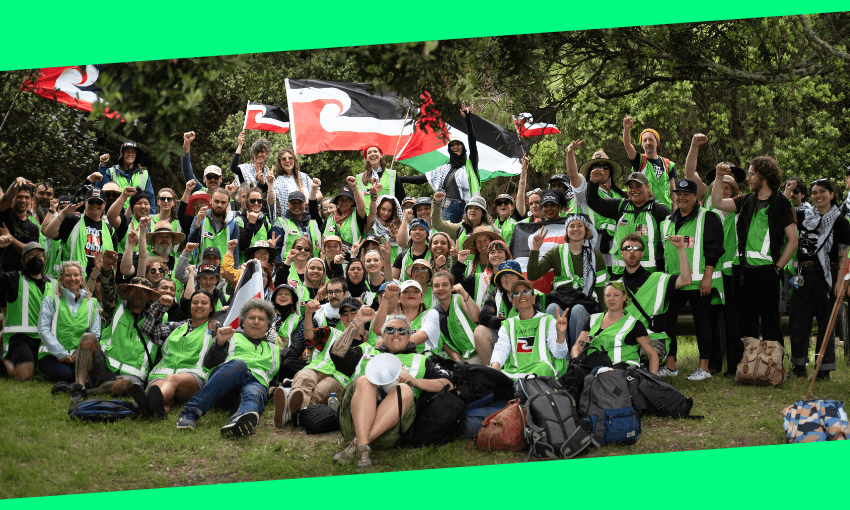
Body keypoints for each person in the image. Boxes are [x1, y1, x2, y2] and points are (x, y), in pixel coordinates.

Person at [330, 308, 452, 471]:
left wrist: (414, 381)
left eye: (402, 330)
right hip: (352, 423)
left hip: (391, 430)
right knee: (366, 380)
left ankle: (360, 445)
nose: (396, 334)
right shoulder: (366, 350)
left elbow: (448, 384)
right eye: (390, 329)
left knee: (404, 389)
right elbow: (337, 352)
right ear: (382, 334)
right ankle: (362, 444)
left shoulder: (422, 360)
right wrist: (357, 321)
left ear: (409, 336)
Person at [711, 159, 798, 346]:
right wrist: (718, 177)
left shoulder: (783, 204)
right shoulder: (745, 200)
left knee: (770, 322)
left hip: (768, 272)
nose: (748, 178)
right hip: (742, 273)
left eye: (751, 174)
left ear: (764, 176)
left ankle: (772, 368)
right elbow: (716, 202)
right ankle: (750, 368)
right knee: (746, 324)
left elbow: (793, 241)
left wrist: (777, 268)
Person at [683, 133, 745, 376]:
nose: (725, 191)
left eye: (730, 188)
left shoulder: (740, 208)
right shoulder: (708, 201)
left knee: (732, 321)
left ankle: (735, 367)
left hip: (731, 271)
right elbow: (689, 172)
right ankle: (714, 364)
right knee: (709, 320)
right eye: (722, 187)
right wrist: (694, 145)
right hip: (709, 271)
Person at [175, 299, 281, 436]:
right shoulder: (230, 337)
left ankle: (239, 420)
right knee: (240, 365)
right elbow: (208, 364)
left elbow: (273, 380)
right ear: (242, 322)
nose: (256, 322)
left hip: (250, 390)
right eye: (251, 318)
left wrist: (273, 389)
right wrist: (219, 343)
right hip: (223, 388)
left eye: (261, 319)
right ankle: (190, 412)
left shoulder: (274, 350)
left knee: (255, 390)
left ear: (267, 326)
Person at [68, 253, 161, 402]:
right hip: (103, 366)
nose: (138, 294)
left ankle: (89, 392)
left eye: (143, 291)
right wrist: (106, 267)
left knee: (127, 384)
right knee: (88, 338)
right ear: (127, 293)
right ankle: (79, 388)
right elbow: (106, 289)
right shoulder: (115, 307)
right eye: (134, 290)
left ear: (150, 296)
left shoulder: (159, 318)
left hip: (131, 376)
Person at [659, 179, 725, 381]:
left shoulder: (708, 217)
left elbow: (714, 249)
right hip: (675, 282)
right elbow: (664, 255)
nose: (681, 197)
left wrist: (707, 278)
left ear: (696, 196)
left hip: (700, 284)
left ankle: (703, 368)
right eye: (678, 193)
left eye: (686, 194)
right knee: (667, 321)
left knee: (702, 324)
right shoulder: (667, 222)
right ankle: (671, 365)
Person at [788, 179, 849, 381]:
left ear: (832, 194)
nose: (817, 195)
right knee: (798, 321)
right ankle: (798, 366)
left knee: (826, 323)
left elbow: (843, 254)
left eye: (822, 191)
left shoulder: (841, 221)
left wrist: (840, 282)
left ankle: (823, 369)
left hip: (828, 275)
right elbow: (782, 216)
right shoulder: (802, 215)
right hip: (802, 274)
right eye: (814, 192)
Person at [276, 297, 365, 426]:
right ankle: (295, 413)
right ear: (340, 317)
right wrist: (308, 314)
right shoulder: (331, 332)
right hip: (315, 369)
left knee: (319, 392)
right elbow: (309, 336)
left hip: (338, 379)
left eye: (353, 311)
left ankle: (288, 408)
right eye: (344, 312)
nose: (349, 315)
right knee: (304, 379)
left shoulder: (367, 342)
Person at [613, 233, 692, 376]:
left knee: (648, 355)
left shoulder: (658, 279)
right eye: (627, 248)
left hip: (652, 338)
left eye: (636, 248)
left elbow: (685, 280)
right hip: (626, 338)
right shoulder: (616, 286)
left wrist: (681, 249)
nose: (632, 251)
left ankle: (644, 372)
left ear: (642, 253)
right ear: (621, 253)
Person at [526, 213, 608, 349]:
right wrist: (535, 249)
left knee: (578, 310)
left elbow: (600, 288)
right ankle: (558, 355)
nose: (576, 229)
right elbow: (533, 274)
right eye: (572, 226)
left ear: (586, 230)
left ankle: (577, 357)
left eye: (579, 225)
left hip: (586, 300)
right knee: (552, 308)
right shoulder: (555, 252)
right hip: (561, 298)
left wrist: (606, 317)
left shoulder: (596, 256)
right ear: (567, 231)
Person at [136, 286, 218, 419]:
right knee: (159, 392)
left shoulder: (214, 328)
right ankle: (160, 410)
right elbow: (147, 330)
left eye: (204, 303)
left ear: (211, 308)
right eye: (195, 302)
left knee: (170, 381)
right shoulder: (176, 326)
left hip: (193, 375)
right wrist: (160, 307)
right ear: (190, 306)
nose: (199, 306)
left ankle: (142, 406)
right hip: (161, 373)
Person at [402, 103, 480, 222]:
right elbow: (422, 178)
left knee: (465, 235)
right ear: (450, 149)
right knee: (446, 236)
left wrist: (468, 120)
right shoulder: (444, 169)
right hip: (448, 206)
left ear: (463, 147)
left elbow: (473, 143)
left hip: (468, 206)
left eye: (458, 144)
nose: (455, 147)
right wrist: (400, 178)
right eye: (452, 145)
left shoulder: (470, 165)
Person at [586, 170, 671, 276]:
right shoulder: (620, 206)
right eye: (630, 187)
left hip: (648, 275)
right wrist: (593, 183)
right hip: (620, 274)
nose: (634, 190)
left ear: (647, 187)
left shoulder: (659, 210)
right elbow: (594, 203)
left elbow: (666, 243)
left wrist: (662, 269)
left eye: (638, 186)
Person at [572, 281, 658, 373]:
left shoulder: (634, 324)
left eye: (616, 295)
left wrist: (652, 381)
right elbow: (577, 347)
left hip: (622, 370)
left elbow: (652, 354)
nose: (611, 299)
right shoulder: (593, 320)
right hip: (593, 368)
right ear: (604, 298)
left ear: (624, 297)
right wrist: (578, 364)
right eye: (608, 295)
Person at [490, 279, 569, 378]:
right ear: (512, 301)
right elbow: (501, 349)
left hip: (541, 372)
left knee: (543, 368)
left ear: (533, 298)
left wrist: (560, 335)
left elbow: (560, 355)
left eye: (526, 292)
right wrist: (494, 369)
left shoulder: (548, 320)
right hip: (516, 372)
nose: (522, 295)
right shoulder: (508, 325)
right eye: (516, 293)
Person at [0, 241, 53, 381]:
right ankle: (2, 359)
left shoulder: (53, 284)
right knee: (25, 376)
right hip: (20, 337)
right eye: (29, 256)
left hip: (44, 338)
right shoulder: (13, 279)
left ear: (44, 259)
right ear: (22, 261)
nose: (35, 259)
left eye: (39, 255)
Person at [474, 260, 543, 366]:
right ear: (500, 280)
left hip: (525, 336)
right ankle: (491, 373)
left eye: (512, 275)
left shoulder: (530, 293)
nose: (508, 279)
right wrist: (506, 325)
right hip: (503, 335)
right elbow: (483, 317)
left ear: (519, 278)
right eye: (504, 276)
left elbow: (535, 321)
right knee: (480, 331)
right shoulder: (496, 294)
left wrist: (511, 326)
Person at [565, 141, 623, 265]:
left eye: (605, 166)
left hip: (620, 245)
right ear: (590, 171)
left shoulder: (621, 194)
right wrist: (570, 153)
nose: (600, 169)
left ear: (610, 171)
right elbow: (573, 176)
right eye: (596, 166)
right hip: (594, 244)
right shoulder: (585, 192)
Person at [43, 187, 115, 278]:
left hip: (99, 283)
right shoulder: (73, 220)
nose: (95, 205)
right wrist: (64, 213)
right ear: (85, 203)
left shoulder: (109, 229)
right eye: (91, 201)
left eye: (99, 202)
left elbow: (113, 262)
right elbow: (48, 232)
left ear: (104, 204)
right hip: (73, 281)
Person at [88, 141, 157, 213]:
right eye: (127, 151)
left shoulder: (144, 173)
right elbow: (101, 190)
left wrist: (152, 217)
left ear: (136, 154)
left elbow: (150, 197)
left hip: (138, 216)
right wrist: (102, 165)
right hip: (116, 216)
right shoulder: (112, 171)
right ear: (122, 154)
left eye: (133, 152)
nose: (130, 154)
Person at [622, 116, 676, 210]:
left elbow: (673, 192)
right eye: (645, 140)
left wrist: (675, 214)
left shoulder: (668, 164)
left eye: (651, 139)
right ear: (642, 144)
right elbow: (627, 145)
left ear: (657, 142)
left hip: (666, 212)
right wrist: (627, 129)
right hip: (645, 210)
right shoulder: (639, 161)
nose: (648, 142)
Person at [373, 281, 441, 354]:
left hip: (425, 361)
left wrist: (391, 342)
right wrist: (386, 297)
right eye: (405, 291)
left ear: (421, 299)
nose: (411, 293)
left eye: (415, 291)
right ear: (398, 299)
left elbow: (422, 335)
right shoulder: (392, 319)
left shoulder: (431, 314)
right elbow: (377, 330)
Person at [431, 271, 480, 361]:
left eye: (445, 285)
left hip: (478, 351)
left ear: (452, 286)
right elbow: (445, 343)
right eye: (436, 286)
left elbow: (476, 317)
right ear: (432, 289)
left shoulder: (459, 299)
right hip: (462, 357)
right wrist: (459, 362)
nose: (440, 288)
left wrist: (464, 293)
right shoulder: (434, 313)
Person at [186, 188, 242, 265]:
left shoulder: (233, 223)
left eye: (223, 202)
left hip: (223, 271)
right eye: (216, 201)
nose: (219, 205)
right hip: (203, 270)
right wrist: (198, 224)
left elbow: (235, 253)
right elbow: (191, 242)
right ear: (210, 201)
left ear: (228, 203)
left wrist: (234, 273)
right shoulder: (200, 218)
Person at [453, 237, 510, 308]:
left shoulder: (514, 278)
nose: (496, 255)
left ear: (506, 256)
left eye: (500, 252)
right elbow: (456, 285)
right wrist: (459, 262)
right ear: (488, 257)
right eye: (492, 252)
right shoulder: (477, 278)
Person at [0, 178, 40, 272]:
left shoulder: (33, 227)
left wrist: (10, 238)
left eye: (27, 197)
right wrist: (16, 183)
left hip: (20, 276)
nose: (23, 200)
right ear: (14, 198)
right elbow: (6, 199)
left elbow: (30, 251)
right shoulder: (5, 214)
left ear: (31, 200)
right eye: (19, 197)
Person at [272, 190, 322, 262]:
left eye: (300, 203)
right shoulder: (281, 222)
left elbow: (320, 249)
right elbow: (275, 250)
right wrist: (281, 269)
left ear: (305, 204)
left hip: (311, 268)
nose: (297, 206)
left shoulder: (313, 223)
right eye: (293, 203)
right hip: (288, 268)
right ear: (287, 204)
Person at [324, 176, 373, 247]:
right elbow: (323, 242)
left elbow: (362, 208)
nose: (343, 203)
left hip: (353, 256)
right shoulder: (330, 218)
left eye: (347, 200)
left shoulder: (357, 216)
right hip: (331, 256)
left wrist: (354, 187)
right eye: (341, 199)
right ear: (337, 201)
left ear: (352, 202)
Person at [269, 147, 313, 220]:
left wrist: (308, 202)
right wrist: (270, 183)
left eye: (290, 158)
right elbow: (271, 202)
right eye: (284, 159)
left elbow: (319, 194)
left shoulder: (304, 177)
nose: (287, 161)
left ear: (294, 160)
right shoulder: (278, 182)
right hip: (290, 220)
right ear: (280, 162)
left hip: (309, 218)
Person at [106, 186, 152, 255]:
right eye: (139, 203)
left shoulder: (155, 225)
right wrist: (124, 196)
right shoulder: (126, 222)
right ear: (132, 208)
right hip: (126, 263)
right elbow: (111, 217)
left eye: (146, 203)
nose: (143, 206)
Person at [235, 187, 272, 263]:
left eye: (259, 201)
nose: (256, 203)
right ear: (246, 201)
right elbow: (242, 246)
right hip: (244, 267)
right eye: (252, 201)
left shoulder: (266, 224)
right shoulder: (239, 220)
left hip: (261, 268)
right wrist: (251, 224)